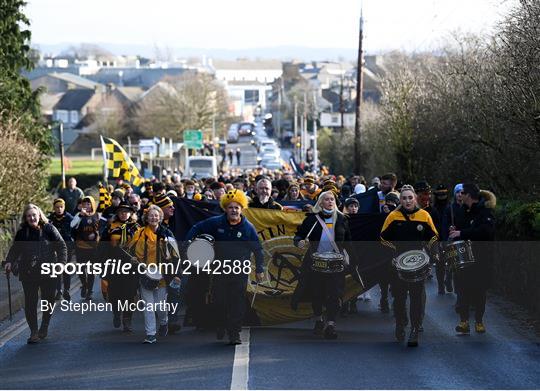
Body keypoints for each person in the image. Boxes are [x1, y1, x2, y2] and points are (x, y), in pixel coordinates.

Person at [185, 189, 265, 345]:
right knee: (219, 300)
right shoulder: (216, 222)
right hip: (219, 270)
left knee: (237, 302)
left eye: (236, 207)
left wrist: (260, 269)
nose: (234, 210)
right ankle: (221, 324)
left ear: (241, 209)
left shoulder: (248, 228)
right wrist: (188, 242)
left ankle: (234, 333)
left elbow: (258, 249)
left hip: (239, 270)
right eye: (230, 207)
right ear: (225, 208)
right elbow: (196, 228)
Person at [380, 185, 438, 347]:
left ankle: (414, 329)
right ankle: (400, 324)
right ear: (400, 200)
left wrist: (431, 254)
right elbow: (383, 239)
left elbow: (433, 237)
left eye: (410, 198)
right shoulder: (393, 216)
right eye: (404, 198)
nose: (407, 201)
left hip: (417, 263)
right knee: (399, 297)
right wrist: (392, 256)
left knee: (416, 298)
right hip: (397, 263)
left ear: (415, 199)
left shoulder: (424, 215)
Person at [3, 204, 67, 344]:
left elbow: (61, 246)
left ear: (39, 215)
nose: (32, 218)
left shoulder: (49, 228)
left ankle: (44, 326)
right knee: (30, 303)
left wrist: (61, 263)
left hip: (48, 270)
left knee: (48, 301)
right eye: (29, 216)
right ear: (26, 218)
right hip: (28, 272)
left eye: (34, 215)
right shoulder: (22, 232)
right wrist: (9, 261)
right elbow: (15, 249)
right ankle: (34, 332)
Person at [293, 190, 352, 339]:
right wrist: (298, 241)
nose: (330, 202)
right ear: (320, 203)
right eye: (326, 199)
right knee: (317, 293)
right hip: (315, 262)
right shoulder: (312, 220)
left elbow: (349, 242)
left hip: (336, 264)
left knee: (335, 294)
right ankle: (319, 319)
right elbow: (299, 235)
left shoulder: (342, 219)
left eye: (332, 199)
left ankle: (331, 325)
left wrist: (353, 260)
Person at [127, 205, 182, 344]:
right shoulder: (139, 233)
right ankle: (150, 334)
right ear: (146, 217)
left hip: (162, 276)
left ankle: (164, 322)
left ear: (160, 217)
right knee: (148, 306)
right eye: (151, 215)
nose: (153, 217)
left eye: (156, 215)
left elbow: (176, 256)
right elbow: (131, 252)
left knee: (160, 306)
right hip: (144, 274)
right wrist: (133, 259)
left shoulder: (167, 234)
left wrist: (176, 273)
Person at [449, 184, 495, 334]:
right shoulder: (461, 211)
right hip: (464, 256)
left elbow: (486, 232)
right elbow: (459, 231)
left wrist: (462, 233)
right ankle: (464, 322)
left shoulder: (485, 211)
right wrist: (454, 232)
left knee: (479, 291)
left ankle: (479, 321)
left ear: (469, 195)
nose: (460, 195)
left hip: (481, 258)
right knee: (462, 290)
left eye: (462, 193)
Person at [100, 201, 140, 332]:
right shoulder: (110, 227)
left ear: (131, 213)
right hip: (114, 265)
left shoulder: (137, 228)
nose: (124, 214)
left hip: (132, 266)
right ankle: (116, 313)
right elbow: (102, 247)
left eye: (126, 211)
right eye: (121, 211)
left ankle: (127, 320)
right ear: (117, 213)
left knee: (130, 293)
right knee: (115, 292)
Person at [71, 196, 100, 300]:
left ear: (92, 205)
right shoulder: (78, 215)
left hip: (93, 247)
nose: (87, 206)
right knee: (81, 270)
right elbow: (72, 225)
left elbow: (100, 229)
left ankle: (90, 291)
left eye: (89, 204)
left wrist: (96, 235)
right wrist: (79, 216)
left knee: (91, 270)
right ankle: (84, 284)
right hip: (81, 246)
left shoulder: (97, 215)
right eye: (85, 204)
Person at [48, 198, 74, 301]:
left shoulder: (69, 218)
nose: (59, 209)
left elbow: (75, 230)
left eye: (61, 207)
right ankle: (58, 290)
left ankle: (66, 289)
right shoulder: (50, 219)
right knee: (57, 269)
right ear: (54, 208)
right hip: (54, 247)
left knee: (66, 269)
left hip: (67, 247)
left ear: (64, 207)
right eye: (57, 207)